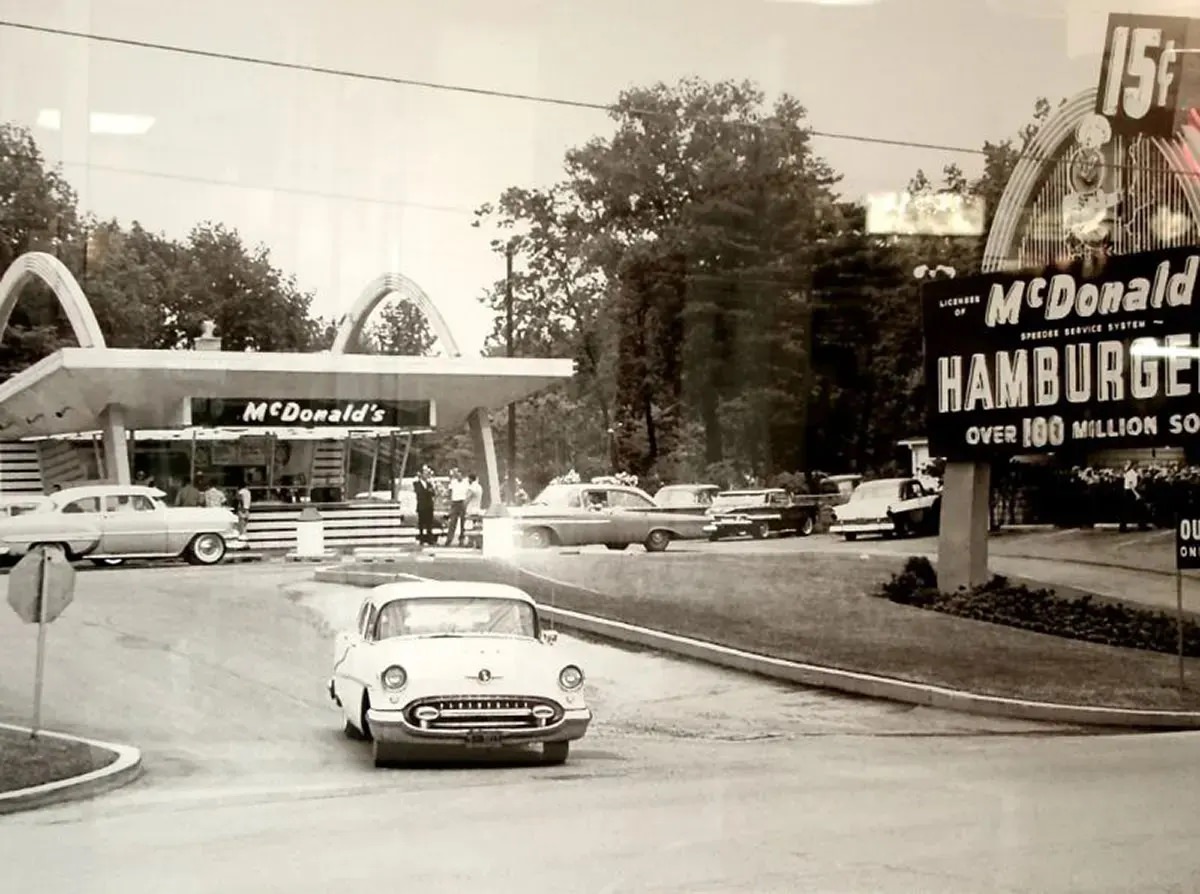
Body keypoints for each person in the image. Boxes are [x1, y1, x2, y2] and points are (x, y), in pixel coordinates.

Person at [1119, 460, 1150, 532]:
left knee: (1140, 508)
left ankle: (1142, 525)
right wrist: (1136, 494)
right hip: (1129, 492)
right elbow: (1130, 485)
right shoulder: (1130, 473)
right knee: (1127, 510)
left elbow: (1136, 484)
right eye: (1137, 465)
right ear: (1133, 465)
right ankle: (1123, 527)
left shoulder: (1134, 473)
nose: (1138, 466)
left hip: (1132, 491)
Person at [445, 469, 470, 546]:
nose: (458, 476)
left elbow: (468, 492)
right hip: (455, 502)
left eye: (460, 475)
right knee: (452, 522)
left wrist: (466, 502)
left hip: (462, 502)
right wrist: (449, 501)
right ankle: (449, 539)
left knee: (463, 522)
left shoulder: (466, 482)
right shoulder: (453, 482)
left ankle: (461, 539)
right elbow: (450, 491)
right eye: (457, 475)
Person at [413, 466, 437, 546]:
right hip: (422, 506)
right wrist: (428, 491)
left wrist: (431, 489)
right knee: (421, 523)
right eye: (425, 474)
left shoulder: (429, 483)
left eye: (427, 474)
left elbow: (433, 493)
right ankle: (421, 539)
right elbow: (420, 493)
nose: (426, 475)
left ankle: (430, 539)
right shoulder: (417, 484)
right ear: (421, 475)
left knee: (429, 523)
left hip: (429, 506)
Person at [465, 473, 484, 542]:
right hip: (477, 508)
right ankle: (478, 541)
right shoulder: (479, 487)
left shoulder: (472, 487)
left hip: (471, 509)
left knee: (468, 526)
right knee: (476, 526)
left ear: (470, 479)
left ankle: (470, 541)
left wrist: (463, 507)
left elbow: (467, 498)